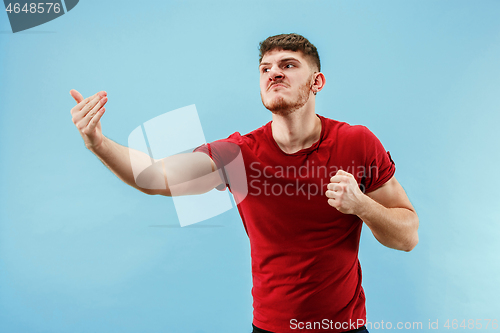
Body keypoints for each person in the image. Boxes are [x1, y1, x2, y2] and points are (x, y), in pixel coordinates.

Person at [70, 33, 419, 333]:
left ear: (317, 82)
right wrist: (97, 142)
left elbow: (407, 237)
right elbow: (155, 176)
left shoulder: (357, 142)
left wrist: (362, 205)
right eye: (265, 69)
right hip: (269, 328)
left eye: (288, 65)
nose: (274, 74)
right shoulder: (239, 154)